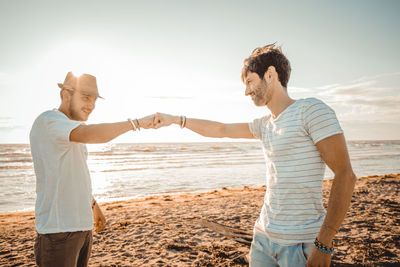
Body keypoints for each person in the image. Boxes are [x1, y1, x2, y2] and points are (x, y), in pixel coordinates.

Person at [153, 44, 357, 267]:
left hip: (300, 242)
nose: (246, 91)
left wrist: (324, 243)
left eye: (250, 81)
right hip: (263, 238)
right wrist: (177, 120)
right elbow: (220, 130)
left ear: (270, 75)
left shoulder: (311, 110)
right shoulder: (265, 125)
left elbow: (345, 175)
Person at [29, 72, 155, 267]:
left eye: (94, 100)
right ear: (65, 95)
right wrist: (136, 123)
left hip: (82, 228)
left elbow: (76, 174)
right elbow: (91, 134)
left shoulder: (72, 129)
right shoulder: (49, 120)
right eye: (86, 98)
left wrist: (94, 205)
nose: (91, 105)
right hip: (58, 231)